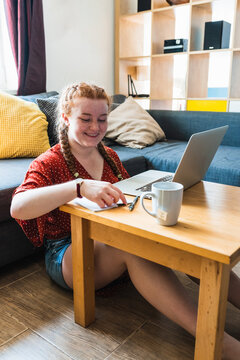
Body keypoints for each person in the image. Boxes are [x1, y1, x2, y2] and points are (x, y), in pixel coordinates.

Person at [11, 82, 240, 359]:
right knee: (128, 246)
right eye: (85, 119)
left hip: (107, 234)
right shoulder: (48, 162)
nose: (95, 127)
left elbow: (126, 198)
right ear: (66, 118)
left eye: (102, 119)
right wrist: (79, 186)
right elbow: (18, 207)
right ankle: (216, 340)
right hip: (68, 252)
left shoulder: (109, 155)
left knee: (188, 242)